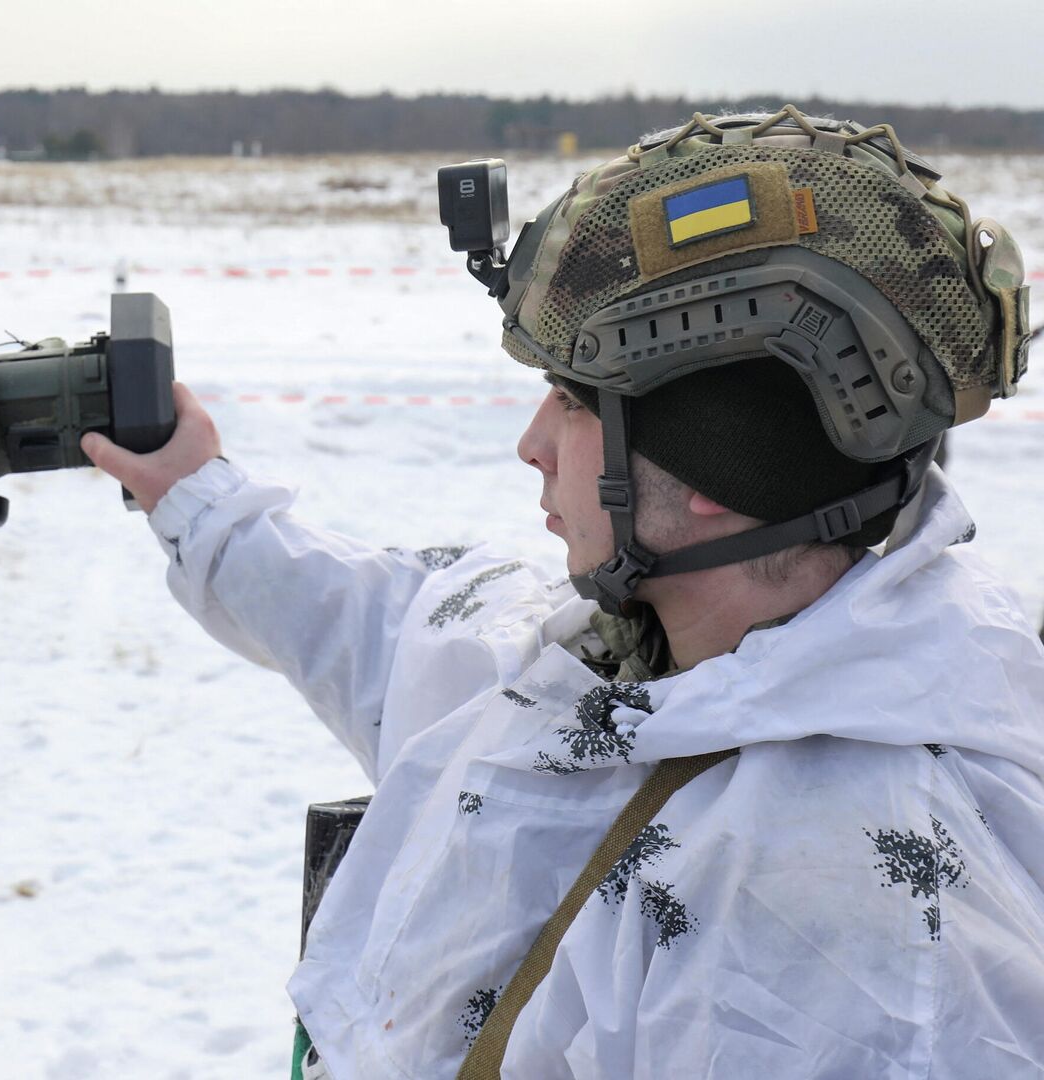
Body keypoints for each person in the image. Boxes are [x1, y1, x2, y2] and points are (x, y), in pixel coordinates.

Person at [84, 107, 1044, 1077]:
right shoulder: (623, 651)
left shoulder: (839, 934)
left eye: (576, 402)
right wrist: (196, 491)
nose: (533, 444)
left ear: (712, 476)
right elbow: (384, 630)